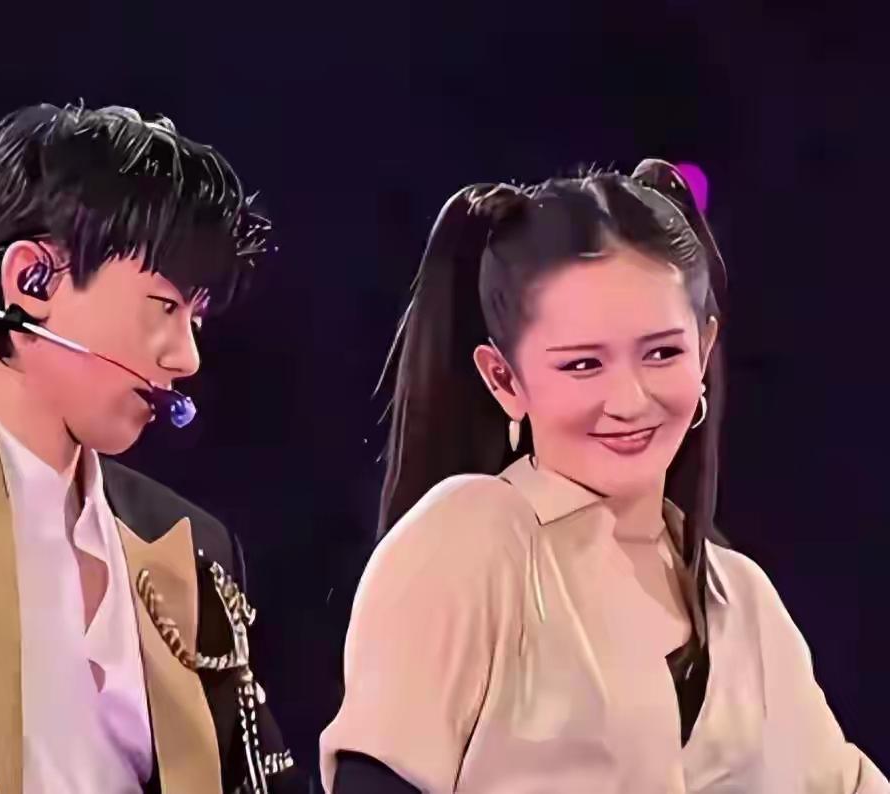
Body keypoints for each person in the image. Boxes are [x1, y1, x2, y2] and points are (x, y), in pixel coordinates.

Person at [320, 160, 888, 792]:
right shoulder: (471, 540)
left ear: (704, 350)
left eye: (663, 353)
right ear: (503, 379)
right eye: (584, 364)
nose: (630, 400)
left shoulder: (745, 599)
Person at [0, 103, 298, 794]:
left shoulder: (193, 546)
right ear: (33, 280)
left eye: (196, 320)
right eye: (164, 307)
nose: (187, 357)